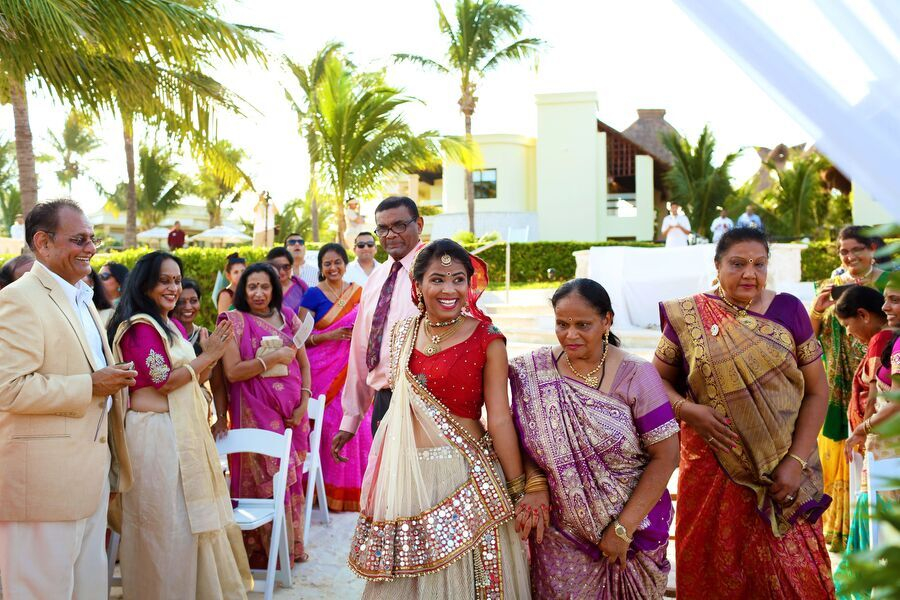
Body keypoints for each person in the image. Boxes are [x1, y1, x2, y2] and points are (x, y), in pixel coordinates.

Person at [653, 227, 834, 599]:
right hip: (710, 467)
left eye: (759, 264)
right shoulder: (688, 316)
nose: (749, 274)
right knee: (713, 572)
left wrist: (796, 461)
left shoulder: (789, 309)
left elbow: (818, 391)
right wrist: (689, 411)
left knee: (795, 578)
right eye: (737, 264)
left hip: (784, 470)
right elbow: (654, 385)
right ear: (717, 266)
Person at [347, 239, 531, 597]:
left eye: (458, 279)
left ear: (469, 284)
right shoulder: (402, 334)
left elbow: (500, 419)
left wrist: (518, 488)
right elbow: (396, 411)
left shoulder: (488, 340)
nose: (449, 290)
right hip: (408, 480)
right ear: (418, 286)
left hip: (463, 475)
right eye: (438, 279)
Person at [509, 278, 680, 598]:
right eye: (562, 324)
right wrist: (535, 483)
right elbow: (520, 438)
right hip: (560, 537)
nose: (570, 335)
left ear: (607, 320)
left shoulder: (637, 374)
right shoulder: (531, 371)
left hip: (632, 535)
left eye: (583, 325)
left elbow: (667, 455)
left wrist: (623, 528)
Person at [0, 199, 135, 598]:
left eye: (93, 239)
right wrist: (91, 385)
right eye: (79, 239)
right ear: (42, 242)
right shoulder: (18, 299)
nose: (91, 248)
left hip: (88, 480)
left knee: (88, 590)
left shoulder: (82, 298)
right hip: (41, 485)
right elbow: (9, 388)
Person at [108, 251, 251, 598]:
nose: (173, 288)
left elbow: (189, 377)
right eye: (165, 280)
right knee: (162, 524)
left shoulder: (166, 324)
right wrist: (209, 355)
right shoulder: (140, 328)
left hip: (179, 432)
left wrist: (208, 357)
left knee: (187, 524)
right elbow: (163, 380)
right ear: (144, 284)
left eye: (176, 280)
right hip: (155, 435)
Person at [219, 262, 312, 566]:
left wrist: (303, 404)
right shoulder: (234, 322)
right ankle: (259, 553)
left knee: (287, 479)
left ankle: (288, 548)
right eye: (252, 286)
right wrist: (270, 359)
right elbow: (232, 372)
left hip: (290, 418)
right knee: (261, 478)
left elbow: (304, 364)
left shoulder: (287, 317)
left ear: (274, 289)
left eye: (265, 286)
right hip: (254, 415)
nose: (258, 293)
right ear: (243, 290)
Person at [810, 225, 890, 552]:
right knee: (843, 450)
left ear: (871, 248)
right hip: (842, 384)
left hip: (884, 377)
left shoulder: (890, 282)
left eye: (856, 249)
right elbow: (808, 334)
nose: (850, 256)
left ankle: (877, 540)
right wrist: (818, 306)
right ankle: (845, 530)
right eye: (844, 251)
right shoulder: (832, 286)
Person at [331, 196, 425, 463]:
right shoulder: (376, 278)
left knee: (426, 499)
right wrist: (350, 419)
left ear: (418, 224)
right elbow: (362, 349)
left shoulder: (436, 270)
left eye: (399, 226)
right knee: (388, 499)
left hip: (428, 402)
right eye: (382, 229)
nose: (390, 235)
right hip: (384, 402)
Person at [298, 243, 370, 511]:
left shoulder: (358, 292)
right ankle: (320, 491)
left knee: (358, 424)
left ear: (345, 263)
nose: (333, 268)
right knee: (326, 425)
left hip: (353, 367)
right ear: (321, 267)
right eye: (327, 263)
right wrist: (328, 336)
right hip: (321, 372)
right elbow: (301, 338)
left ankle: (354, 489)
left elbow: (370, 326)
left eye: (337, 262)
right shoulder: (312, 295)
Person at [831, 285, 893, 597]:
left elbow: (873, 397)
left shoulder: (882, 339)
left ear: (863, 316)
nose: (848, 332)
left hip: (882, 445)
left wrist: (861, 430)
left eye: (846, 326)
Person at [267, 246, 308, 316]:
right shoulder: (264, 287)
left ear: (291, 266)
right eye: (277, 267)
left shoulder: (301, 286)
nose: (282, 271)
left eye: (286, 267)